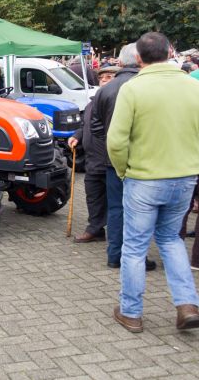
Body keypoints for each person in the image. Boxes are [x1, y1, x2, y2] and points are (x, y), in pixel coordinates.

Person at [107, 32, 199, 332]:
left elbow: (117, 140)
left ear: (138, 58)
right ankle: (186, 304)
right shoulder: (192, 85)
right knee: (172, 240)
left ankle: (131, 312)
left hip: (144, 178)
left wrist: (123, 171)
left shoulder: (134, 88)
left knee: (134, 247)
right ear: (170, 52)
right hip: (184, 177)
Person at [91, 43, 156, 272]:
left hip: (112, 159)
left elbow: (95, 125)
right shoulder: (146, 87)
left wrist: (110, 141)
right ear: (139, 60)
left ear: (120, 62)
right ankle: (137, 257)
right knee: (139, 210)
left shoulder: (106, 89)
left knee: (117, 208)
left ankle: (114, 255)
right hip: (143, 160)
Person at [68, 66, 118, 243]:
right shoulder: (92, 102)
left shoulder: (118, 101)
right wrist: (77, 136)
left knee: (114, 200)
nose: (104, 80)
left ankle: (117, 235)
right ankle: (95, 229)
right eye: (102, 77)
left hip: (110, 160)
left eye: (109, 76)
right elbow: (84, 125)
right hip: (92, 160)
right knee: (93, 195)